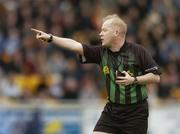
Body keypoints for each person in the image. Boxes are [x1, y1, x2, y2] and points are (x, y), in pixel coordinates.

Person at [31, 14, 161, 134]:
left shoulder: (138, 52)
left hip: (136, 113)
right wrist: (51, 38)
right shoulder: (101, 52)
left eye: (104, 30)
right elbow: (74, 45)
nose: (100, 34)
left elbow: (156, 77)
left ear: (116, 32)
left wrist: (133, 80)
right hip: (112, 110)